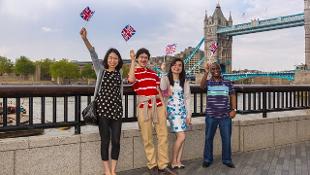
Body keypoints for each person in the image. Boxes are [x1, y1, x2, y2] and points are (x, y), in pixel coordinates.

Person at [80, 27, 124, 175]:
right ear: (107, 59)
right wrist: (85, 39)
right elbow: (93, 54)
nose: (113, 60)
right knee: (105, 140)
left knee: (116, 141)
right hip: (103, 111)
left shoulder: (120, 73)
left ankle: (114, 169)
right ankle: (107, 171)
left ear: (118, 61)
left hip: (117, 110)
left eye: (115, 58)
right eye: (110, 58)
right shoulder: (101, 70)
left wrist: (132, 59)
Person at [128, 48, 177, 175]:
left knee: (163, 136)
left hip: (158, 105)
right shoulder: (135, 71)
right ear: (138, 58)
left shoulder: (153, 73)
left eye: (146, 57)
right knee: (147, 137)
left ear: (148, 59)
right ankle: (152, 165)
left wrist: (164, 107)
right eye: (141, 57)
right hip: (144, 106)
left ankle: (163, 165)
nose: (144, 59)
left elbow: (158, 90)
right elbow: (131, 80)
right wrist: (132, 61)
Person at [200, 62, 237, 168]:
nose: (215, 70)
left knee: (226, 139)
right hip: (211, 115)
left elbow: (233, 95)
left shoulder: (228, 82)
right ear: (211, 71)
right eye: (213, 69)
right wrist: (206, 72)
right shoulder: (208, 82)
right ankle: (207, 159)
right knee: (208, 138)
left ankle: (227, 160)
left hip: (225, 116)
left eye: (217, 68)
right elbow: (201, 86)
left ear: (220, 70)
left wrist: (234, 109)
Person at [160, 58, 191, 169]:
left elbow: (187, 98)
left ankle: (178, 161)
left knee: (182, 136)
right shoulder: (167, 79)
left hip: (182, 111)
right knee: (181, 136)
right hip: (172, 111)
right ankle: (173, 161)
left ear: (182, 68)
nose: (177, 67)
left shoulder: (185, 81)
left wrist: (188, 114)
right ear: (171, 66)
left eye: (179, 65)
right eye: (174, 65)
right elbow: (163, 89)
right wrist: (163, 72)